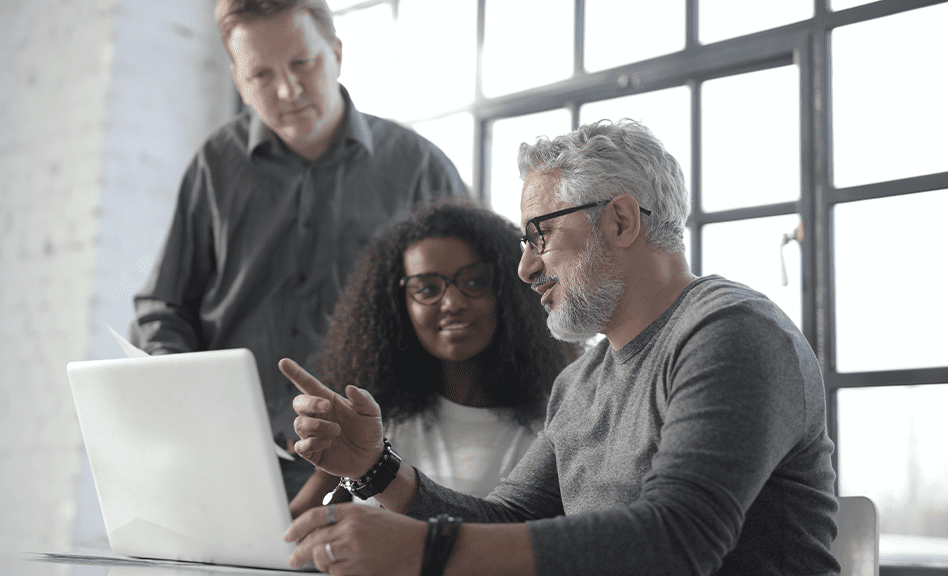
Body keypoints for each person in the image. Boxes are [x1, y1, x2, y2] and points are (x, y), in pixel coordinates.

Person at [278, 119, 840, 576]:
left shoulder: (733, 334)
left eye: (539, 236)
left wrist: (427, 550)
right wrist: (375, 470)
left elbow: (677, 539)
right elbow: (510, 521)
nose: (525, 268)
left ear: (620, 219)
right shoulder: (581, 381)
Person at [129, 0, 468, 499]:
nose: (287, 91)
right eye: (261, 74)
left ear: (335, 53)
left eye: (302, 64)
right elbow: (164, 306)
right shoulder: (214, 167)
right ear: (238, 80)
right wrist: (186, 395)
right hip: (228, 461)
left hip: (375, 467)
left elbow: (463, 312)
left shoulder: (418, 167)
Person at [288, 202, 581, 518]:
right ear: (399, 304)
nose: (452, 303)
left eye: (474, 281)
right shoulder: (374, 417)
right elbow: (291, 536)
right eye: (427, 288)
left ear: (506, 291)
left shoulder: (549, 425)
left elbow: (509, 545)